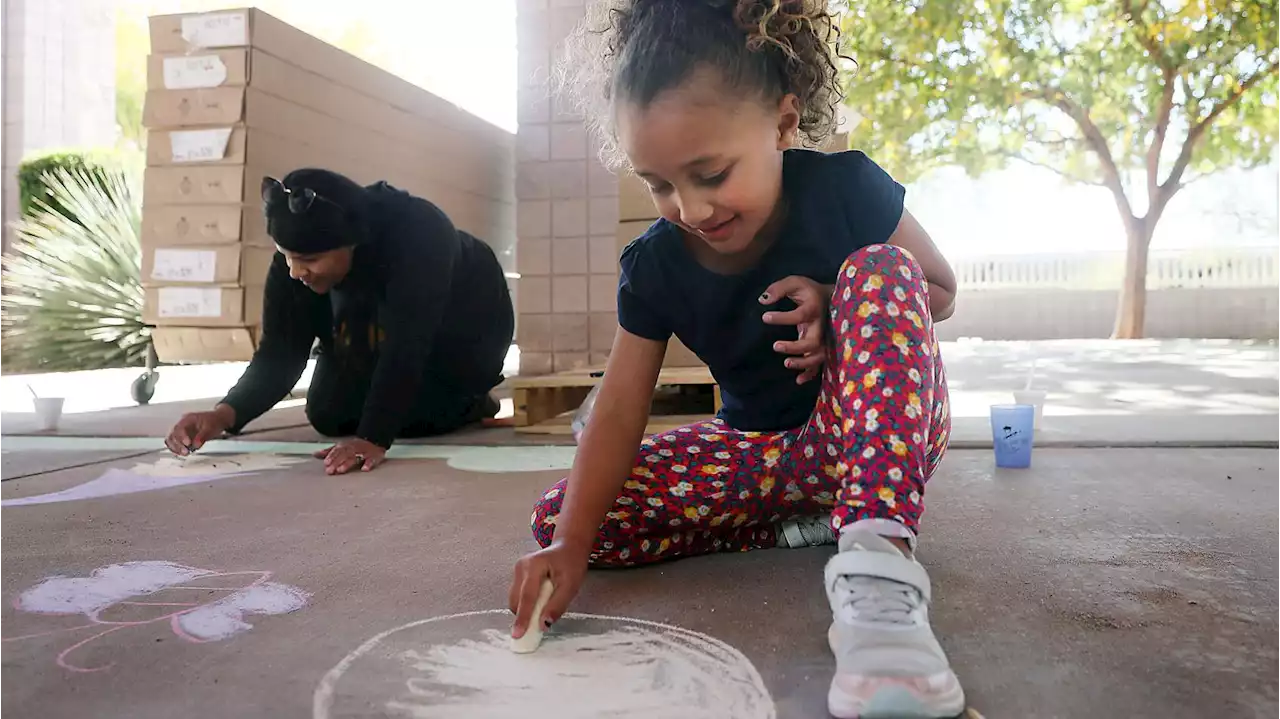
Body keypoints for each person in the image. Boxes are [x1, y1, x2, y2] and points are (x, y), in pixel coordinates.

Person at [507, 1, 963, 717]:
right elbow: (621, 407)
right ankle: (798, 522)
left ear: (783, 124)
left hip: (861, 435)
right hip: (752, 451)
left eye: (710, 173)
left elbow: (937, 291)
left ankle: (877, 560)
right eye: (657, 183)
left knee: (880, 267)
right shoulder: (654, 266)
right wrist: (569, 544)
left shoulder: (845, 189)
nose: (689, 207)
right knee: (565, 516)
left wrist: (835, 293)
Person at [164, 169, 514, 475]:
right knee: (330, 414)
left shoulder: (419, 233)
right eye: (286, 257)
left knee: (415, 420)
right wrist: (224, 415)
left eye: (308, 260)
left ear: (352, 244)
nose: (295, 271)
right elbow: (280, 351)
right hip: (376, 321)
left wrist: (372, 439)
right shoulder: (298, 255)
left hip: (464, 326)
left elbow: (409, 342)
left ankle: (472, 400)